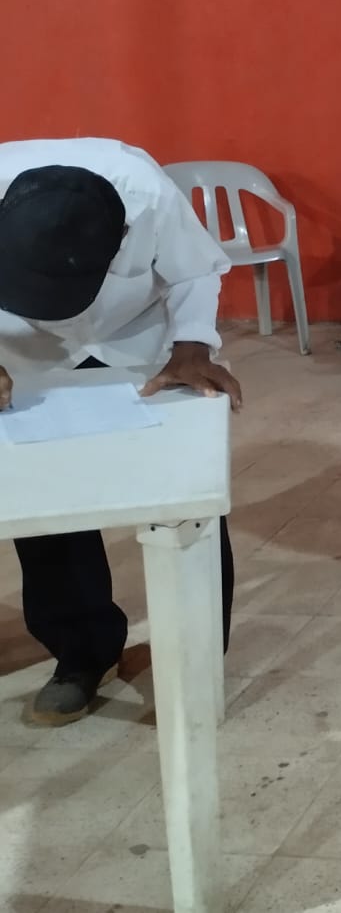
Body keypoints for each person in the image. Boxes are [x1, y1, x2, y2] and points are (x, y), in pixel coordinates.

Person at [0, 139, 242, 726]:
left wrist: (192, 346)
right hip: (27, 347)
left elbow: (195, 270)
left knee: (186, 493)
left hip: (138, 343)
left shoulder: (145, 194)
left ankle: (196, 657)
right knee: (48, 499)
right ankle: (83, 653)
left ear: (122, 236)